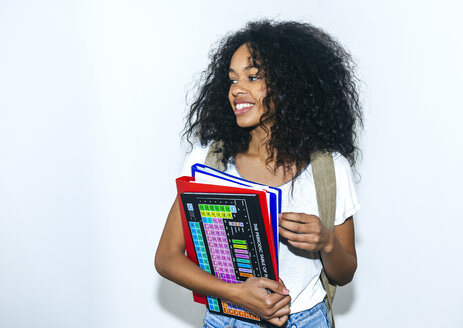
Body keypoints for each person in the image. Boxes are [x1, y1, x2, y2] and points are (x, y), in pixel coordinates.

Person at [155, 20, 362, 328]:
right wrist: (237, 294)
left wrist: (327, 243)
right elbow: (167, 258)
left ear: (289, 85)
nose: (236, 89)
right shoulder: (209, 162)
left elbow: (344, 274)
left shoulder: (329, 169)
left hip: (309, 320)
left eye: (253, 77)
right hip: (228, 320)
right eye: (232, 79)